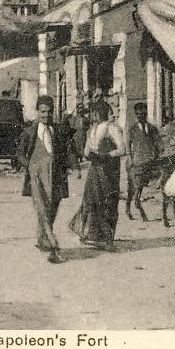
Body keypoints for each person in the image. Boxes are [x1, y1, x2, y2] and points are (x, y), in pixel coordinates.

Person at [16, 95, 76, 264]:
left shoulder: (59, 130)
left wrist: (75, 167)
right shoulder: (29, 132)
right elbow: (19, 154)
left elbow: (68, 150)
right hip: (37, 177)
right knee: (42, 209)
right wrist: (29, 166)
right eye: (43, 112)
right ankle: (52, 245)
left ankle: (42, 239)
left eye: (49, 112)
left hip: (56, 176)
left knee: (52, 209)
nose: (46, 116)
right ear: (37, 112)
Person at [68, 101, 126, 251]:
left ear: (103, 113)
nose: (93, 115)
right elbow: (87, 150)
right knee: (91, 200)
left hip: (109, 170)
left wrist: (106, 155)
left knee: (108, 201)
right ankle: (92, 235)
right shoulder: (91, 130)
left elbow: (121, 149)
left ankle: (108, 239)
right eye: (93, 112)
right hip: (95, 169)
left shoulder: (112, 128)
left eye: (96, 112)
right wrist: (89, 154)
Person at [125, 102, 161, 222]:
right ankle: (130, 208)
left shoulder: (152, 128)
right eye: (139, 114)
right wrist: (130, 159)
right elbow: (128, 145)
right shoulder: (132, 129)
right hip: (137, 162)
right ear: (136, 115)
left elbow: (158, 143)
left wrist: (157, 154)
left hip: (150, 161)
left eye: (144, 114)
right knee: (134, 188)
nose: (142, 116)